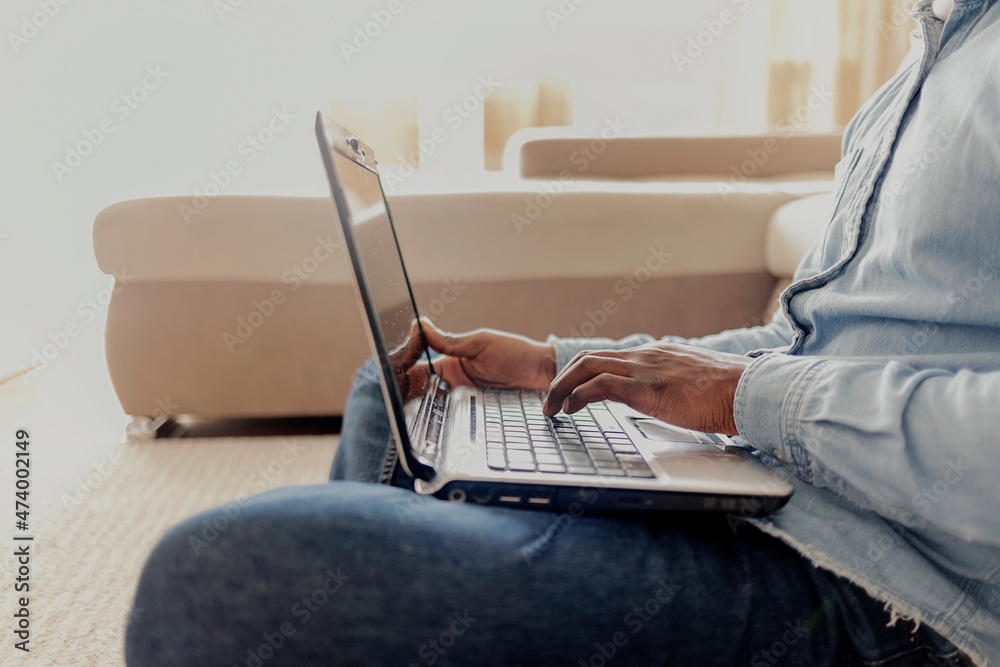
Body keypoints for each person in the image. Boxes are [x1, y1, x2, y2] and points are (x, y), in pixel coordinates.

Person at [125, 1, 999, 664]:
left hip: (895, 587)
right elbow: (815, 345)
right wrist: (560, 362)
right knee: (391, 388)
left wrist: (740, 395)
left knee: (208, 578)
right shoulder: (928, 54)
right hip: (783, 488)